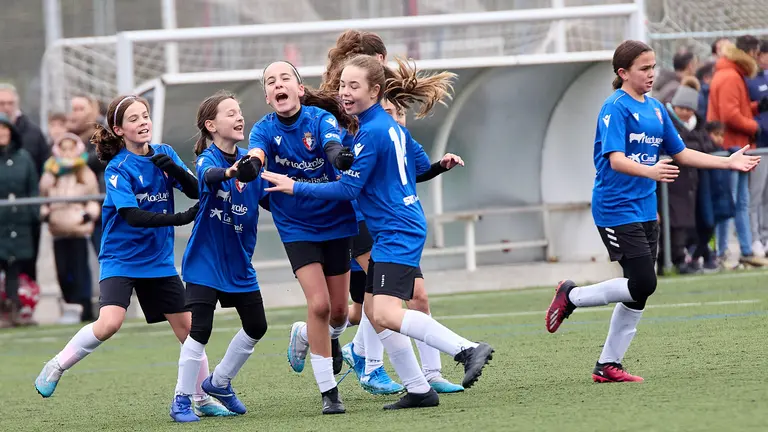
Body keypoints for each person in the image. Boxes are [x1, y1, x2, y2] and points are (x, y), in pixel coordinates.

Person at [261, 55, 495, 410]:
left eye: (354, 86)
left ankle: (465, 349)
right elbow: (415, 167)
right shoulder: (390, 127)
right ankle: (419, 388)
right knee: (373, 312)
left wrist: (295, 187)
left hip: (396, 230)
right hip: (397, 227)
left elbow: (346, 191)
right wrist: (438, 166)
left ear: (374, 91)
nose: (345, 93)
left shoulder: (369, 132)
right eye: (342, 86)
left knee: (386, 312)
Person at [545, 40, 760, 383]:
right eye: (644, 69)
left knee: (640, 288)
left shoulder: (657, 108)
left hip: (646, 209)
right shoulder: (615, 108)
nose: (651, 74)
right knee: (644, 281)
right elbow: (615, 160)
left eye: (653, 67)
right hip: (616, 208)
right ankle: (571, 295)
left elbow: (682, 153)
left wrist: (727, 162)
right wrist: (651, 171)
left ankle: (607, 365)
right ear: (623, 73)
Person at [33, 95, 228, 418]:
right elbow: (132, 215)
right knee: (110, 323)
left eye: (145, 116)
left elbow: (195, 191)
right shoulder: (117, 168)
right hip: (121, 258)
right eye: (134, 119)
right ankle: (56, 365)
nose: (143, 123)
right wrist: (179, 219)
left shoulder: (163, 153)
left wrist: (176, 173)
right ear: (119, 129)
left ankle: (201, 396)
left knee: (190, 329)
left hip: (158, 260)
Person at [322, 29, 466, 395]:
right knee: (380, 303)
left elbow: (406, 163)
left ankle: (423, 374)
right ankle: (374, 365)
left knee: (400, 299)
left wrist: (436, 166)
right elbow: (341, 164)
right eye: (380, 59)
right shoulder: (345, 105)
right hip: (359, 217)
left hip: (389, 219)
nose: (384, 66)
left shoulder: (381, 106)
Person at [248, 60, 357, 415]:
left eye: (284, 78)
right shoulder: (263, 129)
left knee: (340, 313)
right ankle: (329, 392)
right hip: (297, 227)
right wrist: (249, 166)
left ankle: (309, 334)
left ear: (299, 88)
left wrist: (339, 157)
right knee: (320, 305)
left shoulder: (319, 119)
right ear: (267, 96)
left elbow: (330, 144)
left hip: (337, 219)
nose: (277, 84)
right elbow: (256, 155)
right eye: (270, 81)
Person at [172, 92, 268, 422]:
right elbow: (211, 177)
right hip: (206, 260)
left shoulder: (253, 163)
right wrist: (232, 173)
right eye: (231, 114)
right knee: (200, 330)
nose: (239, 118)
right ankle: (182, 400)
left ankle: (220, 382)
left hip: (239, 261)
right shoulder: (207, 160)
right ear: (211, 125)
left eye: (240, 112)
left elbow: (272, 198)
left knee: (257, 325)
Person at [39, 133, 101, 323]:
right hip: (58, 229)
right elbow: (43, 196)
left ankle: (84, 307)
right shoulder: (51, 172)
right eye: (63, 148)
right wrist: (46, 214)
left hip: (78, 229)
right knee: (63, 270)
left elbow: (93, 197)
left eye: (70, 148)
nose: (67, 153)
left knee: (80, 269)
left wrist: (87, 215)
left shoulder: (84, 172)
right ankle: (69, 305)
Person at [0, 113, 39, 328]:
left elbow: (32, 187)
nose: (2, 133)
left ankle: (14, 308)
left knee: (15, 266)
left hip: (19, 222)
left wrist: (34, 212)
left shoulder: (23, 157)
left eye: (5, 129)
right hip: (1, 222)